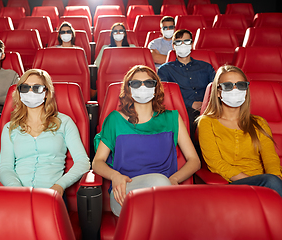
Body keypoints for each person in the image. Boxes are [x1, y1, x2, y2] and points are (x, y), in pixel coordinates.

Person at [92, 65, 201, 216]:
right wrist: (115, 176)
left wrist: (174, 179)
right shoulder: (115, 119)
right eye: (136, 83)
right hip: (126, 193)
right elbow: (97, 162)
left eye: (149, 83)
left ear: (156, 88)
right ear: (128, 89)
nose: (142, 87)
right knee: (161, 184)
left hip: (165, 191)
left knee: (161, 185)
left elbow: (194, 160)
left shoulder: (172, 118)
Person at [0, 69, 90, 196]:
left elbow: (83, 162)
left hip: (51, 195)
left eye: (37, 88)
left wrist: (60, 186)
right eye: (25, 88)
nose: (30, 92)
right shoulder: (10, 128)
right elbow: (5, 168)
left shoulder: (64, 122)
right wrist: (18, 190)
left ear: (46, 92)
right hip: (17, 196)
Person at [198, 65, 282, 197]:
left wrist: (276, 180)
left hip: (266, 182)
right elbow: (216, 164)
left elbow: (271, 159)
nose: (235, 90)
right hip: (233, 184)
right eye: (228, 86)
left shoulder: (259, 122)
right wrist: (260, 184)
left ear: (246, 91)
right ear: (218, 92)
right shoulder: (207, 122)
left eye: (241, 85)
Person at [158, 29, 215, 139]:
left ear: (192, 44)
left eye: (187, 41)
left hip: (209, 106)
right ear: (173, 46)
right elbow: (165, 94)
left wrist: (206, 104)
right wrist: (191, 103)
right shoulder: (165, 70)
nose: (183, 45)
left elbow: (215, 88)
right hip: (183, 108)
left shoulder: (206, 67)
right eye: (179, 42)